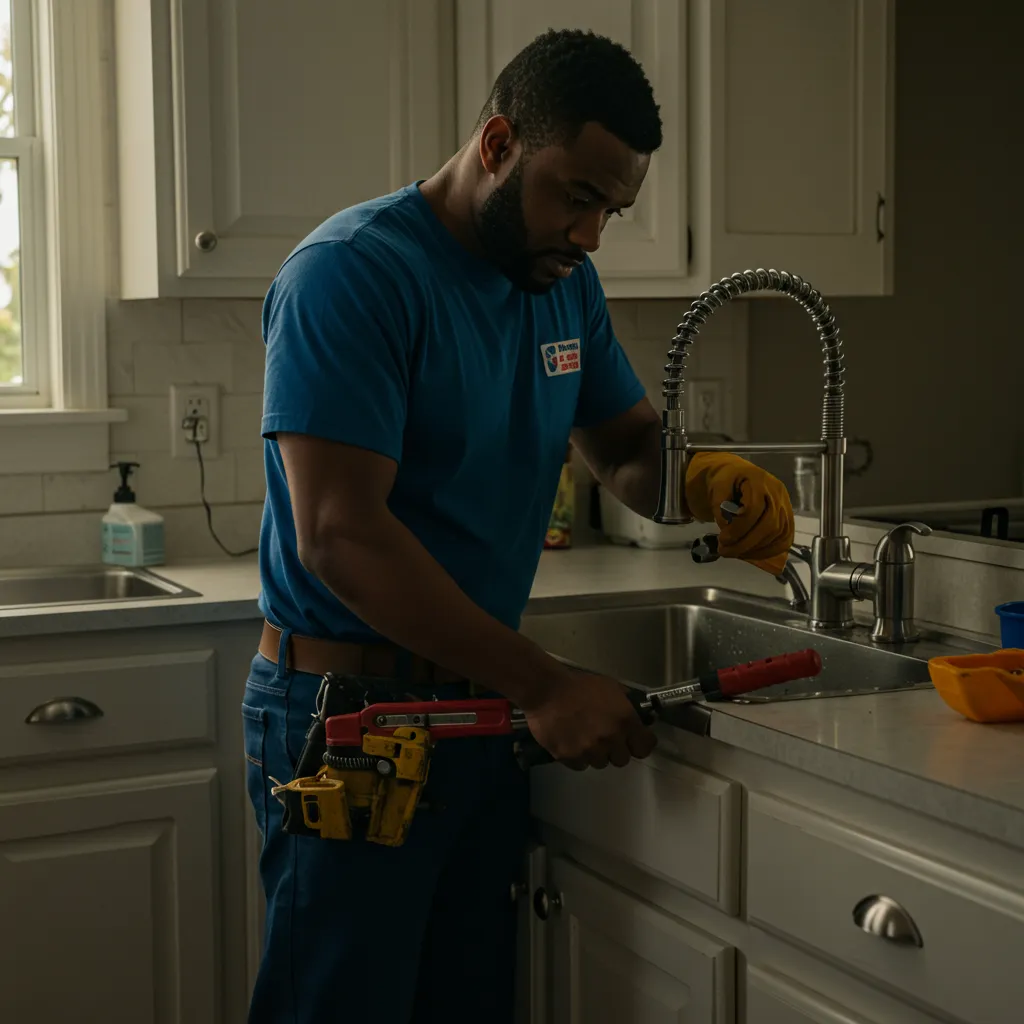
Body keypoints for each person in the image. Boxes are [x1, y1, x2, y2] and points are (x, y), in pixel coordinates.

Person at [243, 27, 794, 1024]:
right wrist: (541, 681)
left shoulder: (560, 285)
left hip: (482, 721)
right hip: (356, 720)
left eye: (611, 210)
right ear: (497, 143)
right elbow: (340, 533)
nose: (590, 235)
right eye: (575, 196)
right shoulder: (353, 275)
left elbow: (624, 444)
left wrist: (707, 477)